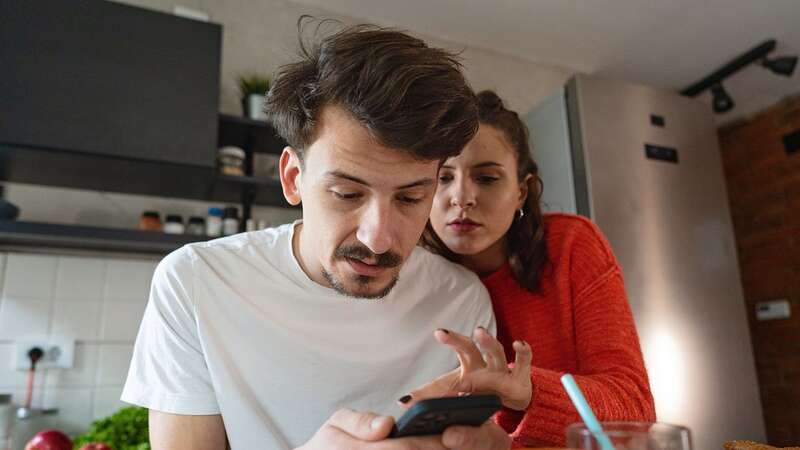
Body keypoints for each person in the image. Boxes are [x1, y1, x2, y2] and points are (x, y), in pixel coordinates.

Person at [121, 24, 514, 450]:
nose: (378, 240)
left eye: (410, 198)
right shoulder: (195, 281)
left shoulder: (461, 299)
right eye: (347, 194)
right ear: (293, 178)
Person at [405, 90, 657, 447]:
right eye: (443, 178)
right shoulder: (410, 277)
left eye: (487, 178)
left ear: (522, 192)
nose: (462, 197)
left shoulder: (571, 246)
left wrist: (527, 392)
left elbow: (636, 411)